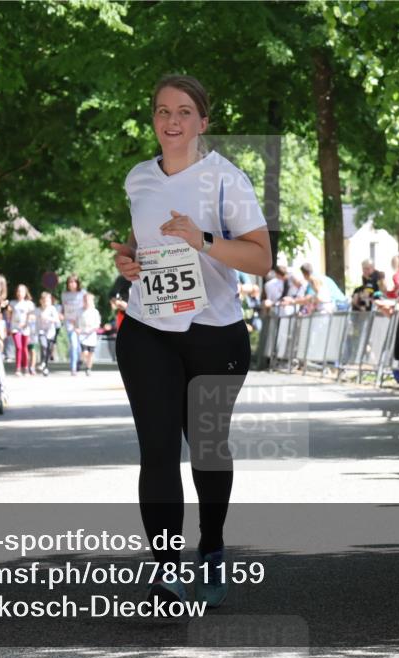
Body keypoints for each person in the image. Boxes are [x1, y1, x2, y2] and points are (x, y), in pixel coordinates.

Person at [110, 74, 271, 608]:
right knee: (157, 451)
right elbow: (140, 241)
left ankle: (214, 549)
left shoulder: (226, 180)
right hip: (147, 328)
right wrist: (127, 260)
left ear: (203, 121)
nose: (171, 122)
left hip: (213, 333)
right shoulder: (138, 177)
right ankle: (167, 570)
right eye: (161, 111)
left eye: (183, 112)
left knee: (206, 450)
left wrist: (201, 240)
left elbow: (260, 258)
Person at [60, 274, 87, 376]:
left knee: (79, 344)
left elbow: (87, 305)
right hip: (69, 322)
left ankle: (79, 359)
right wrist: (61, 315)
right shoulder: (64, 294)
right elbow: (63, 308)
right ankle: (73, 368)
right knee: (73, 344)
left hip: (80, 322)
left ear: (77, 283)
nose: (72, 284)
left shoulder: (82, 293)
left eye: (74, 282)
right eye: (70, 282)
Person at [7, 284, 36, 375]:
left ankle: (25, 367)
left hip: (25, 328)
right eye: (18, 291)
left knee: (24, 348)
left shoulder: (29, 304)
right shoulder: (12, 303)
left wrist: (26, 322)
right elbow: (9, 316)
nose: (20, 293)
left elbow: (32, 315)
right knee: (18, 347)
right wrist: (8, 327)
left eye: (22, 291)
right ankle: (18, 368)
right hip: (15, 328)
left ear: (25, 293)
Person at [34, 291, 61, 375]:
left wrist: (48, 318)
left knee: (48, 349)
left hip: (50, 332)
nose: (46, 303)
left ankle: (45, 366)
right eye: (44, 301)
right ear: (41, 301)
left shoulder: (52, 309)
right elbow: (33, 319)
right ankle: (42, 362)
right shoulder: (37, 310)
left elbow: (57, 320)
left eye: (48, 301)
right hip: (41, 331)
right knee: (43, 345)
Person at [77, 292, 101, 376]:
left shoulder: (95, 312)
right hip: (83, 335)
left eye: (88, 300)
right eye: (85, 300)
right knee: (85, 352)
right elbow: (76, 322)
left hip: (91, 336)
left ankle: (88, 368)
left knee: (91, 354)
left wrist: (91, 330)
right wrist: (77, 329)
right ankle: (81, 360)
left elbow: (97, 324)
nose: (87, 302)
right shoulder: (80, 311)